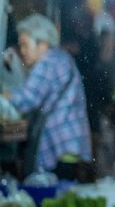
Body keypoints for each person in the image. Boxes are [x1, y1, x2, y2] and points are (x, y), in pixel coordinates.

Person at [3, 14, 92, 179]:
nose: (22, 52)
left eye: (25, 45)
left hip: (62, 144)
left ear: (42, 44)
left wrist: (4, 94)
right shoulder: (60, 59)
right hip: (69, 142)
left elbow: (27, 99)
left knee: (57, 195)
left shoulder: (48, 62)